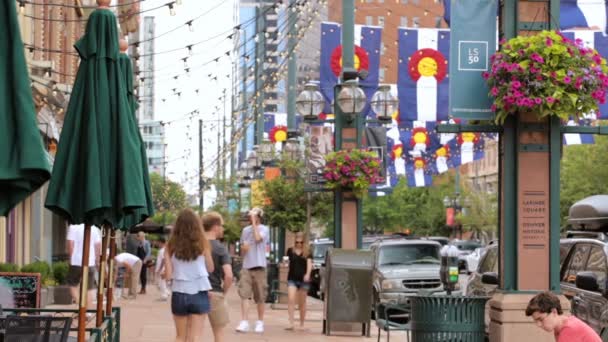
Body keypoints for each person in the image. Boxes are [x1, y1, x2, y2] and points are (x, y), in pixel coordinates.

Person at [164, 208, 214, 342]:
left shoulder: (170, 245)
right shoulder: (203, 242)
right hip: (199, 291)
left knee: (180, 336)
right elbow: (210, 268)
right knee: (195, 337)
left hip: (179, 292)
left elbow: (168, 276)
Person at [236, 207, 270, 334]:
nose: (251, 218)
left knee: (260, 296)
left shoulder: (264, 229)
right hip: (246, 266)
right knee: (244, 294)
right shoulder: (245, 230)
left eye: (254, 215)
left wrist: (255, 224)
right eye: (251, 215)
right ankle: (244, 321)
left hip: (259, 266)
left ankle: (260, 322)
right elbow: (243, 248)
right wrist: (243, 250)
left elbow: (257, 239)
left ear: (259, 217)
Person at [202, 211, 234, 342]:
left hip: (195, 292)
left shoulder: (195, 245)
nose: (223, 229)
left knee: (193, 333)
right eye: (222, 226)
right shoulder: (220, 248)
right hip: (214, 292)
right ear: (215, 226)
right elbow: (229, 276)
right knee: (219, 333)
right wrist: (223, 292)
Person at [525, 291, 601, 342]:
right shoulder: (563, 326)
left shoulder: (569, 330)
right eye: (536, 321)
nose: (539, 325)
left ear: (554, 312)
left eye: (541, 319)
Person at [66, 224, 102, 311]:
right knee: (89, 288)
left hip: (76, 262)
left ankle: (81, 308)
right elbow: (98, 245)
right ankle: (88, 312)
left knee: (72, 284)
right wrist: (97, 260)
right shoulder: (94, 228)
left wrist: (71, 258)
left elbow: (70, 244)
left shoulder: (73, 227)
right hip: (90, 262)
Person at [284, 232, 312, 331]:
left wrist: (308, 274)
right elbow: (287, 262)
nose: (299, 244)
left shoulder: (307, 251)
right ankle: (291, 323)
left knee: (302, 303)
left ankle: (302, 324)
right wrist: (285, 264)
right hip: (292, 278)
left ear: (304, 242)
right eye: (297, 242)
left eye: (301, 242)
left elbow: (309, 264)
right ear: (294, 241)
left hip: (303, 280)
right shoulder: (290, 251)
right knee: (291, 299)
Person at [155, 236, 170, 301]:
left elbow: (164, 260)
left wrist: (160, 269)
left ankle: (164, 295)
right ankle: (166, 292)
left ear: (161, 242)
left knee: (161, 282)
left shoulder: (162, 250)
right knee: (162, 282)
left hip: (162, 269)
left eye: (158, 242)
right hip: (163, 268)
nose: (157, 244)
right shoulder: (164, 250)